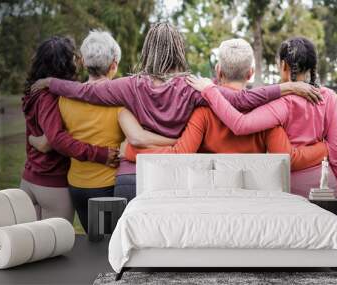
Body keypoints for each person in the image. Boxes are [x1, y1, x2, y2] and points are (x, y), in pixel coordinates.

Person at [30, 23, 321, 201]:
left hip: (134, 177)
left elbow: (84, 91)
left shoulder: (130, 86)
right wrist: (286, 88)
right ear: (179, 51)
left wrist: (50, 82)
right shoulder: (192, 86)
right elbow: (242, 100)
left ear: (148, 51)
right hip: (180, 176)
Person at [29, 31, 173, 231]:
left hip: (76, 185)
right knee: (111, 249)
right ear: (114, 65)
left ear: (85, 64)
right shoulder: (120, 101)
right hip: (107, 187)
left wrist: (31, 139)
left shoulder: (64, 98)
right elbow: (138, 136)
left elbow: (52, 138)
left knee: (94, 243)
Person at [119, 39, 327, 171]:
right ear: (250, 73)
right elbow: (289, 157)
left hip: (210, 195)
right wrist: (324, 147)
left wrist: (131, 151)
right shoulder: (265, 115)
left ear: (218, 71)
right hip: (251, 194)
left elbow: (178, 154)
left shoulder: (202, 112)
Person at [187, 37, 337, 198]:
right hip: (327, 186)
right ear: (250, 73)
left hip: (292, 191)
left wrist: (209, 90)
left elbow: (240, 124)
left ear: (283, 65)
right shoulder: (329, 97)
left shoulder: (279, 103)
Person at [21, 36, 118, 223]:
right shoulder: (51, 97)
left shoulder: (33, 92)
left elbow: (40, 138)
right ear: (65, 63)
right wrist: (99, 153)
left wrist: (33, 140)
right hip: (51, 183)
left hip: (29, 180)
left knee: (34, 246)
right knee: (54, 246)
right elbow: (51, 141)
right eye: (73, 58)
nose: (77, 61)